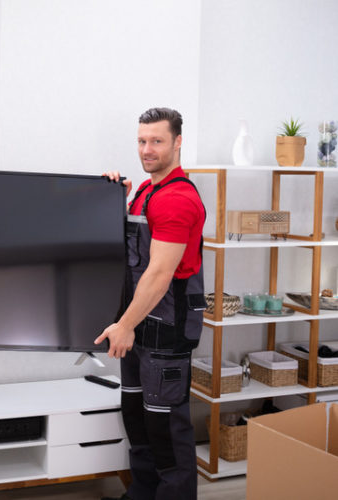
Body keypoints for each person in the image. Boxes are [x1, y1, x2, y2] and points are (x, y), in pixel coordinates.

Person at [96, 107, 206, 500]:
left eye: (157, 141)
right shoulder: (146, 190)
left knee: (165, 431)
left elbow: (158, 274)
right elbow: (132, 253)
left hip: (164, 328)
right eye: (142, 141)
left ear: (178, 142)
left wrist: (124, 325)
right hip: (139, 323)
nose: (147, 149)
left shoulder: (176, 199)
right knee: (138, 419)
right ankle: (143, 494)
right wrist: (114, 199)